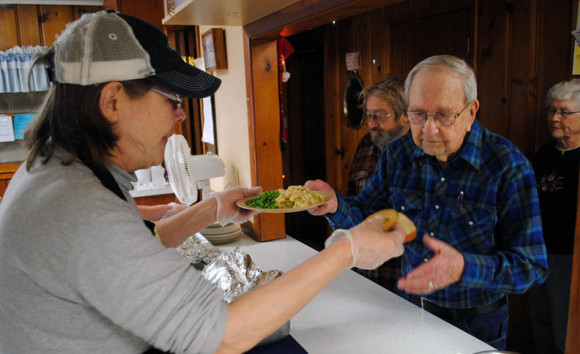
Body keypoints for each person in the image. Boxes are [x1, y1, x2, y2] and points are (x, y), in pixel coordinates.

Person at [0, 11, 405, 353]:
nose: (180, 115)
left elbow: (143, 244)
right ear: (112, 102)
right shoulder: (81, 209)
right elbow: (222, 336)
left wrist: (212, 208)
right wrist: (345, 251)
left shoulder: (62, 172)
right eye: (172, 101)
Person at [307, 55, 548, 349]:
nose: (428, 129)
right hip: (410, 310)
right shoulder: (398, 156)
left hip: (476, 324)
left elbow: (531, 267)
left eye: (444, 115)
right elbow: (367, 216)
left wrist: (463, 267)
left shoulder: (508, 166)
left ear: (471, 112)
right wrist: (334, 205)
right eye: (418, 115)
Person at [528, 79, 580, 354]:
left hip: (569, 257)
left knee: (564, 329)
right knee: (540, 323)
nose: (554, 118)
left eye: (564, 112)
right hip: (537, 253)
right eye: (551, 111)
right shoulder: (543, 155)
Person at [347, 76, 410, 293]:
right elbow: (354, 203)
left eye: (380, 116)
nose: (372, 123)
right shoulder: (365, 145)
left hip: (403, 277)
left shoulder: (421, 156)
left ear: (405, 117)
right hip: (365, 272)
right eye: (369, 115)